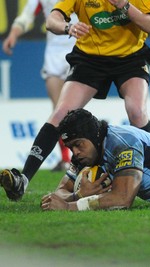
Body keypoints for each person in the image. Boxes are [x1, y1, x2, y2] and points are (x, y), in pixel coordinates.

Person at [0, 0, 150, 201]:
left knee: (137, 111)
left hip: (130, 57)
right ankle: (23, 180)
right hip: (90, 58)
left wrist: (124, 4)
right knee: (60, 113)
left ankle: (147, 177)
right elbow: (52, 21)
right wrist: (68, 27)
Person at [2, 0, 78, 171]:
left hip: (80, 49)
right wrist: (13, 34)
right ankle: (66, 159)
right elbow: (26, 16)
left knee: (74, 111)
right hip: (54, 55)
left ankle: (80, 157)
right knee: (58, 109)